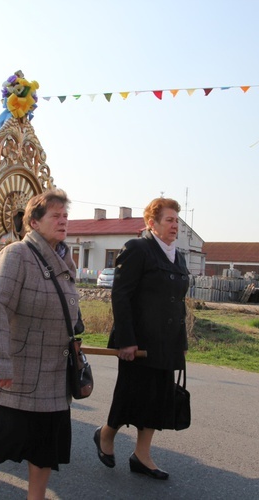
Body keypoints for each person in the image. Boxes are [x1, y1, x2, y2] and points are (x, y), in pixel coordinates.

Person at [0, 189, 79, 500]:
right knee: (0, 437)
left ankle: (36, 496)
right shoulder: (16, 255)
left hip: (55, 370)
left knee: (46, 444)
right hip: (19, 369)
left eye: (65, 216)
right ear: (34, 221)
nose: (63, 221)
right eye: (55, 216)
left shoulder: (64, 257)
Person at [94, 197, 190, 481]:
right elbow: (120, 295)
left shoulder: (178, 256)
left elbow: (178, 302)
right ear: (152, 223)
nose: (175, 226)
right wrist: (126, 339)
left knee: (159, 398)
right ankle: (105, 435)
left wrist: (180, 343)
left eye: (177, 221)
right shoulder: (138, 248)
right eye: (169, 220)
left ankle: (142, 455)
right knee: (131, 393)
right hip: (139, 342)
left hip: (168, 341)